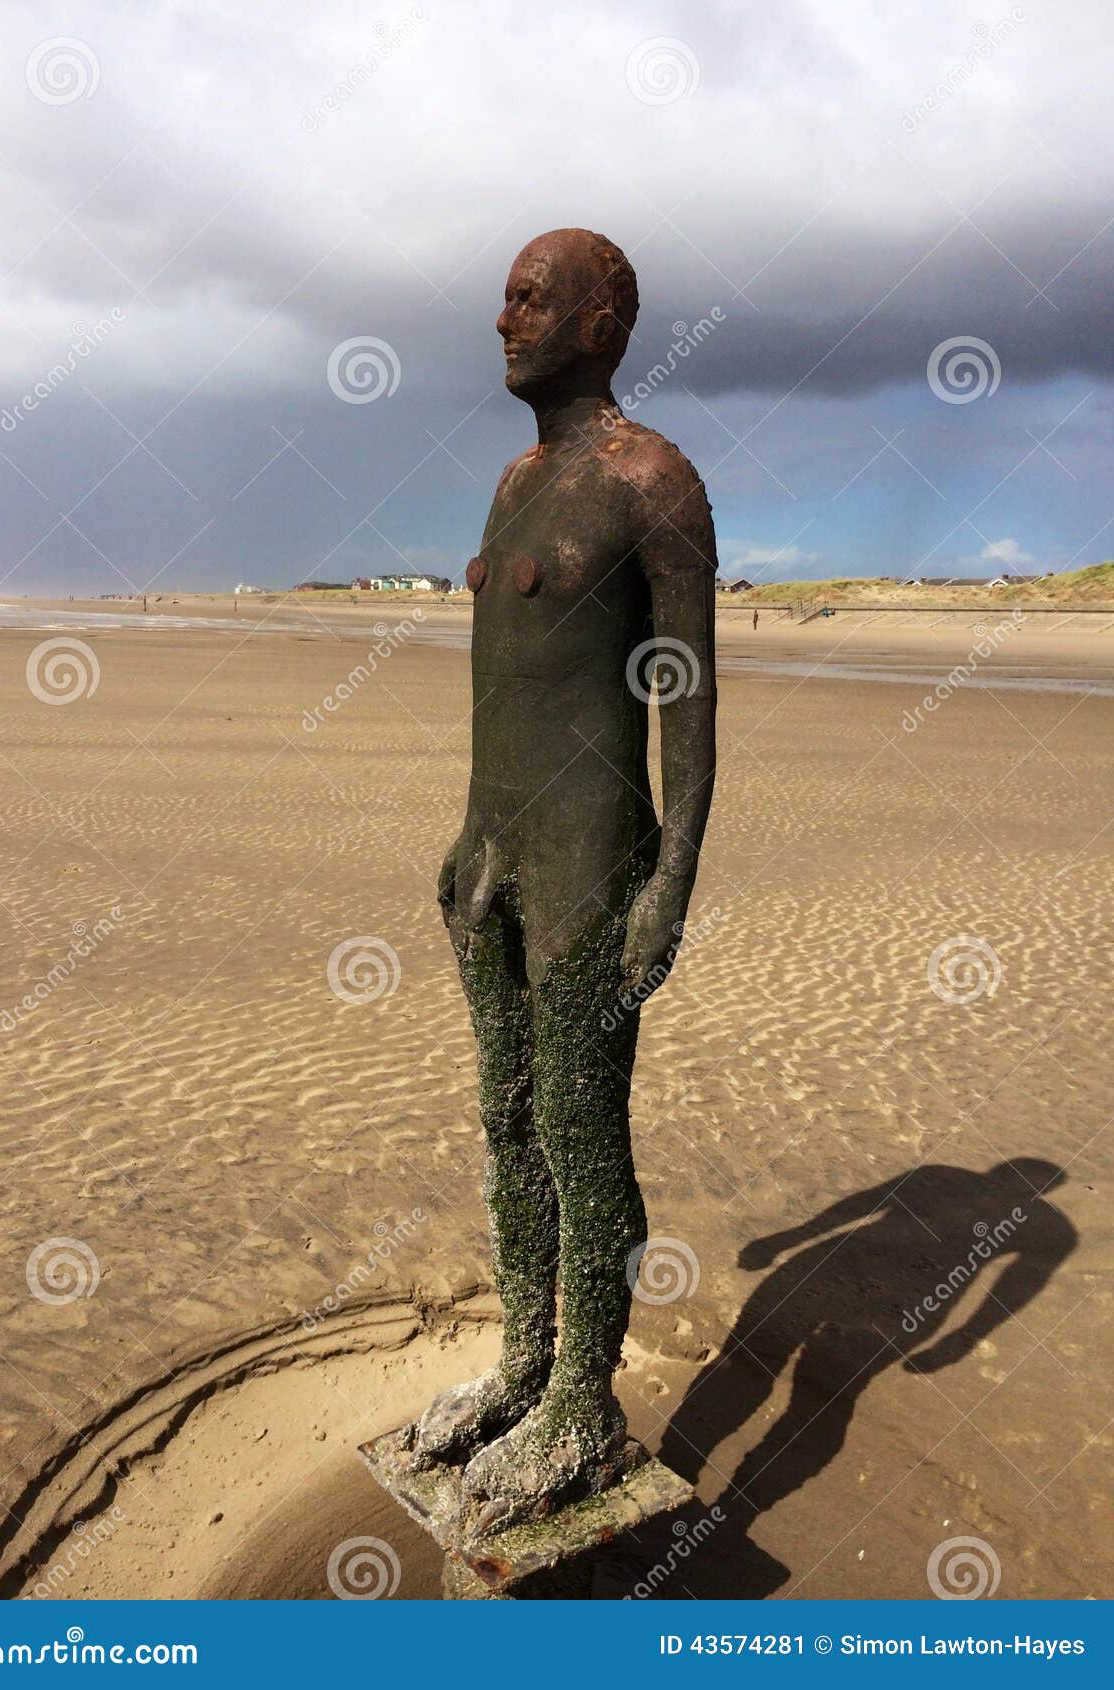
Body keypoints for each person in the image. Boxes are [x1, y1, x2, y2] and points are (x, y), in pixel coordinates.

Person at [404, 228, 718, 1532]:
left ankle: (585, 1407)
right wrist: (468, 845)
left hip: (595, 864)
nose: (502, 317)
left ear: (598, 323)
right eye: (503, 294)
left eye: (529, 297)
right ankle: (526, 1362)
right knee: (508, 1119)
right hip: (494, 860)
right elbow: (505, 684)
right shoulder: (511, 483)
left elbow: (688, 703)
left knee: (585, 1136)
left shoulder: (654, 480)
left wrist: (673, 886)